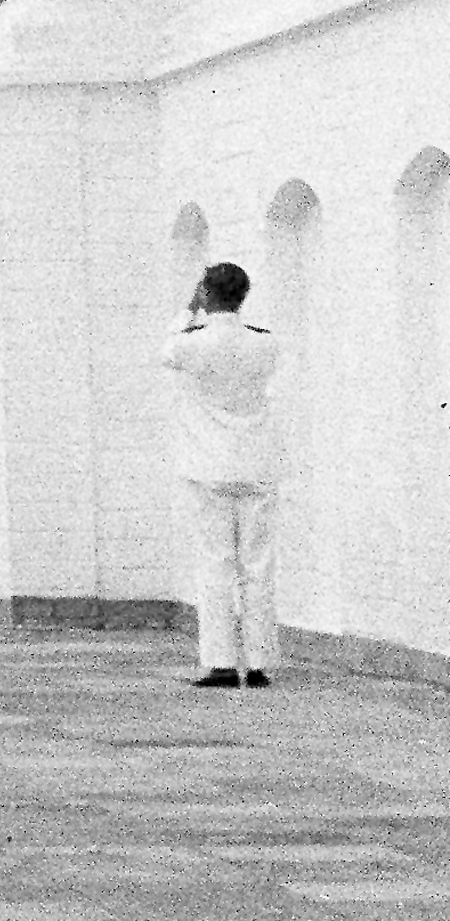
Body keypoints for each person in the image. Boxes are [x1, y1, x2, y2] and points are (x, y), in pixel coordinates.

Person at [162, 262, 282, 689]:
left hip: (208, 467)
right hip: (258, 465)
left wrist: (188, 310)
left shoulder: (192, 344)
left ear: (206, 294)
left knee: (215, 564)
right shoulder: (265, 345)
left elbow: (166, 349)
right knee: (258, 565)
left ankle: (220, 661)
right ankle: (261, 661)